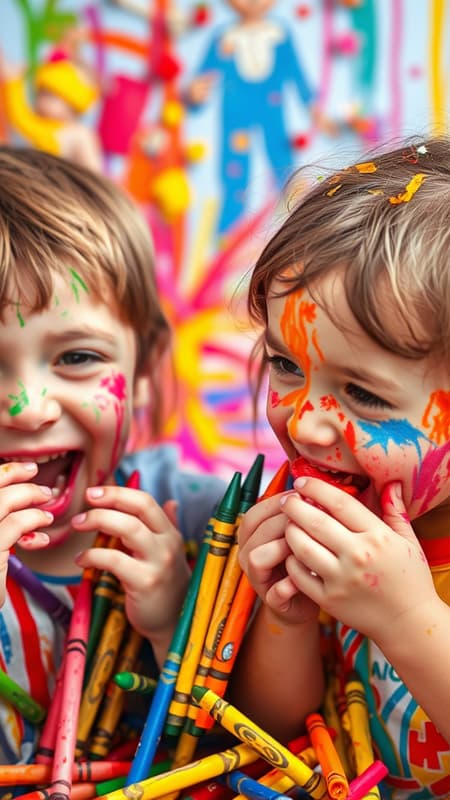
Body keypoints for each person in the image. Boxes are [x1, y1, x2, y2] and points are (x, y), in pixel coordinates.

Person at [232, 137, 450, 798]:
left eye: (366, 395)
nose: (303, 422)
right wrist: (286, 619)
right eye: (286, 367)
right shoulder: (332, 525)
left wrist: (406, 616)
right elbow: (279, 732)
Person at [0, 145, 225, 766]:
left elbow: (256, 746)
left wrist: (175, 625)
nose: (28, 407)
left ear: (147, 370)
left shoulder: (207, 522)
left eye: (77, 358)